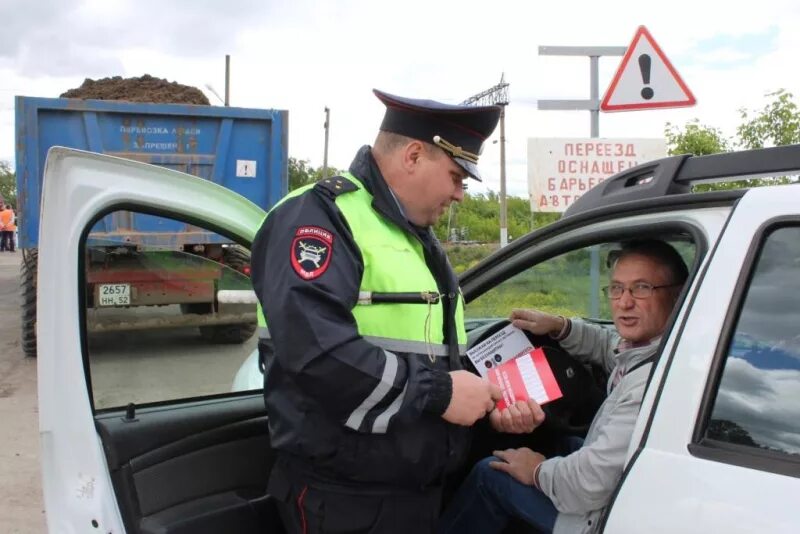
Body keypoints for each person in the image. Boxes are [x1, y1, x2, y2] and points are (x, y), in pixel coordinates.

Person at [251, 89, 541, 534]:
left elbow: (431, 349)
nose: (460, 194)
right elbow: (316, 352)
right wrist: (441, 394)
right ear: (412, 156)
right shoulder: (320, 218)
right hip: (346, 499)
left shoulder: (414, 235)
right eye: (456, 176)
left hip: (413, 490)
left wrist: (487, 401)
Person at [438, 239, 689, 534]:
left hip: (601, 516)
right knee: (561, 444)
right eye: (617, 288)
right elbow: (610, 346)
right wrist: (559, 326)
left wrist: (536, 470)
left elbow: (589, 483)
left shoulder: (649, 385)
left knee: (490, 473)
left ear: (678, 295)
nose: (624, 302)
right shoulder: (660, 348)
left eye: (642, 288)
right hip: (625, 484)